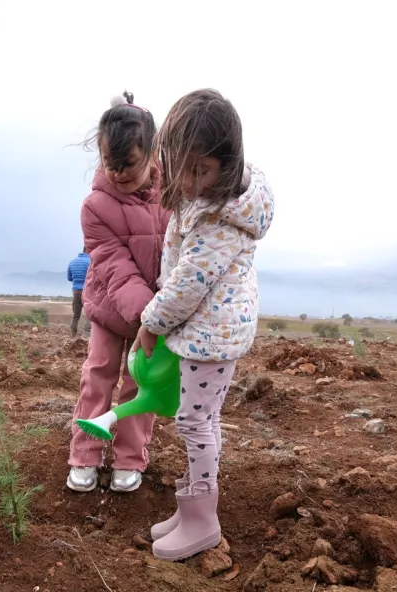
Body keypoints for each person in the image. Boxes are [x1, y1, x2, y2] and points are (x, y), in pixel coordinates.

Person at [135, 89, 274, 562]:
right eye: (183, 168)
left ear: (227, 164)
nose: (190, 181)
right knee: (202, 418)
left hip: (211, 336)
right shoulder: (207, 202)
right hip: (209, 331)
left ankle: (202, 520)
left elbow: (188, 284)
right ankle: (191, 507)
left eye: (202, 170)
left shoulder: (221, 219)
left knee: (195, 421)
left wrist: (152, 322)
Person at [67, 91, 170, 494]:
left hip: (157, 313)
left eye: (129, 164)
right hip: (111, 309)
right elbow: (113, 264)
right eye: (110, 162)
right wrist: (149, 316)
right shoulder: (95, 206)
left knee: (141, 385)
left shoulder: (174, 196)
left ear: (152, 153)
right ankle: (85, 454)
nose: (117, 173)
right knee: (99, 375)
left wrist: (162, 315)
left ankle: (129, 458)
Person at [66, 248, 91, 338]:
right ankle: (86, 334)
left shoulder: (72, 262)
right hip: (87, 290)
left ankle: (73, 335)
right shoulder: (91, 262)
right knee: (90, 315)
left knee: (76, 315)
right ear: (88, 250)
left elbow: (69, 278)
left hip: (76, 291)